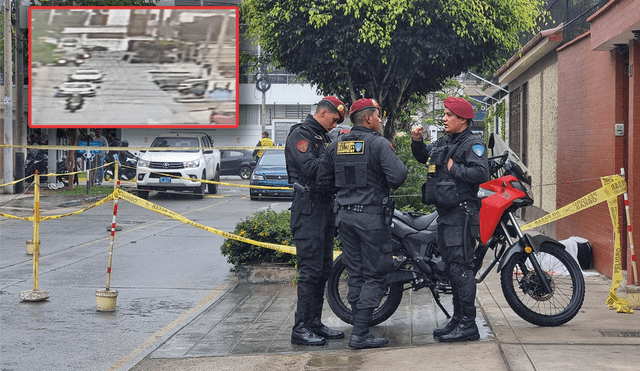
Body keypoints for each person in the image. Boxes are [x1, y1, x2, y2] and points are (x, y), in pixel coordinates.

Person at [317, 98, 408, 349]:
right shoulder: (378, 144)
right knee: (377, 274)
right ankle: (359, 334)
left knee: (355, 273)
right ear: (368, 118)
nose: (380, 121)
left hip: (345, 217)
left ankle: (361, 328)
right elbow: (398, 176)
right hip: (371, 219)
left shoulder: (335, 145)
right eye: (378, 116)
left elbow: (323, 181)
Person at [410, 96, 489, 342]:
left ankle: (468, 325)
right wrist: (417, 141)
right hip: (446, 215)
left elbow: (481, 172)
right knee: (452, 270)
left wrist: (455, 168)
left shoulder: (472, 144)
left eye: (448, 115)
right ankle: (457, 319)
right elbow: (425, 156)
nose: (443, 119)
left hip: (461, 215)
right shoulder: (447, 141)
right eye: (444, 114)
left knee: (461, 269)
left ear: (463, 119)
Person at [285, 96, 347, 346]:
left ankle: (314, 323)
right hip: (308, 210)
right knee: (310, 272)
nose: (334, 125)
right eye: (334, 120)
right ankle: (300, 327)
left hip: (323, 209)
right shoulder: (299, 135)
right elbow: (311, 168)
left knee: (323, 270)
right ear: (323, 113)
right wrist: (334, 153)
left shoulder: (323, 137)